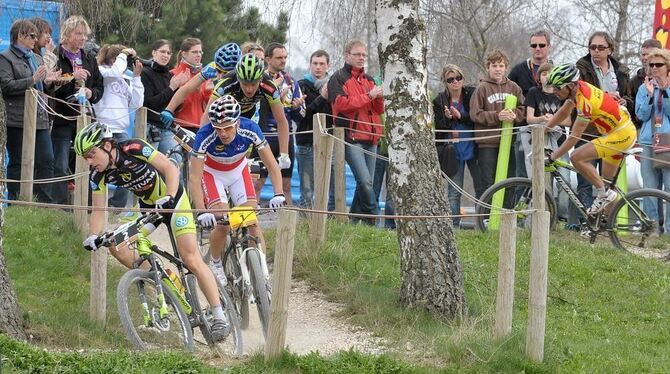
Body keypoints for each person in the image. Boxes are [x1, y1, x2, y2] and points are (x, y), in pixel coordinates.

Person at [74, 122, 230, 341]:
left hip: (174, 201)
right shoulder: (97, 175)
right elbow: (99, 209)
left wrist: (170, 195)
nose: (90, 161)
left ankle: (219, 315)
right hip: (150, 210)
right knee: (116, 246)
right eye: (86, 158)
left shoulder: (134, 148)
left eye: (92, 154)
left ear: (108, 145)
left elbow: (170, 168)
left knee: (190, 257)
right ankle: (164, 277)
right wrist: (93, 235)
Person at [189, 95, 285, 277]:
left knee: (251, 221)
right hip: (212, 174)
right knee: (223, 223)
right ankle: (215, 264)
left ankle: (262, 274)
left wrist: (278, 193)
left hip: (238, 171)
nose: (223, 133)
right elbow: (194, 178)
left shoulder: (251, 128)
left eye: (227, 128)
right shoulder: (204, 135)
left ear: (238, 124)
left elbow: (272, 164)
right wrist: (202, 211)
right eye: (218, 129)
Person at [545, 63, 637, 214]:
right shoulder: (578, 89)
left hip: (621, 134)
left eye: (557, 87)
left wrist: (553, 157)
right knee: (607, 186)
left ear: (570, 85)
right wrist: (545, 129)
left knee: (576, 157)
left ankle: (603, 194)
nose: (554, 91)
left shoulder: (585, 101)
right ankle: (603, 225)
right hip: (617, 132)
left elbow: (574, 137)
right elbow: (563, 112)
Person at [193, 54, 291, 171]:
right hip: (224, 116)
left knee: (244, 152)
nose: (249, 89)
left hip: (249, 113)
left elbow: (281, 120)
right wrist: (198, 147)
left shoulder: (269, 86)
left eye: (253, 84)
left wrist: (284, 154)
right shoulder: (226, 83)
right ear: (238, 78)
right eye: (245, 84)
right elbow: (207, 116)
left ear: (260, 80)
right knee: (219, 146)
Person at [0, 19, 59, 203]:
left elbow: (42, 88)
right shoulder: (5, 58)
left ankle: (44, 204)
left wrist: (50, 82)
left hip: (40, 118)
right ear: (20, 36)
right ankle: (17, 203)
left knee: (47, 160)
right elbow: (6, 86)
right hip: (17, 120)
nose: (36, 40)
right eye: (32, 36)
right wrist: (32, 79)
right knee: (18, 162)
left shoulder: (36, 57)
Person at [327, 39, 384, 225]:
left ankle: (354, 222)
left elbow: (379, 110)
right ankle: (374, 219)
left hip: (372, 137)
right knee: (366, 182)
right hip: (352, 138)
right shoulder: (338, 78)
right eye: (357, 54)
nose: (361, 58)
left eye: (363, 55)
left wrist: (379, 96)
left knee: (365, 184)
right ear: (347, 56)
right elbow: (341, 105)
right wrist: (369, 96)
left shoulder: (369, 79)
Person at [574, 31, 632, 209]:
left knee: (607, 184)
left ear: (610, 50)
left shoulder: (621, 71)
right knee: (585, 178)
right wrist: (606, 97)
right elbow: (581, 96)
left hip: (614, 131)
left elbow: (629, 97)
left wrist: (623, 101)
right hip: (589, 129)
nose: (596, 51)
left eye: (601, 47)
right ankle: (585, 220)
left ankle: (605, 223)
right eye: (592, 47)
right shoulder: (581, 68)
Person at [52, 15, 104, 205]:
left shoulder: (89, 58)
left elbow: (99, 85)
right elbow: (51, 85)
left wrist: (92, 93)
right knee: (61, 162)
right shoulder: (56, 56)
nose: (82, 38)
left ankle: (87, 203)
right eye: (78, 34)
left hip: (84, 117)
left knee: (88, 159)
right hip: (61, 117)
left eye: (85, 35)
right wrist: (72, 77)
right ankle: (60, 205)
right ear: (67, 34)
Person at [93, 44, 144, 208]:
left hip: (120, 130)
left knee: (130, 165)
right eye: (122, 60)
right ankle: (94, 203)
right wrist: (124, 54)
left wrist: (136, 78)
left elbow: (137, 103)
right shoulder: (102, 72)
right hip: (102, 127)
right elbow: (113, 72)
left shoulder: (123, 78)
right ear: (114, 60)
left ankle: (117, 204)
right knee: (99, 167)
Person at [254, 43, 305, 206]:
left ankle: (288, 228)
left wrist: (297, 108)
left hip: (285, 139)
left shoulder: (291, 81)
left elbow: (300, 116)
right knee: (257, 184)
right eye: (279, 58)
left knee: (286, 186)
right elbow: (254, 108)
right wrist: (273, 96)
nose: (283, 61)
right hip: (263, 137)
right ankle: (251, 224)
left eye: (285, 57)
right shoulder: (259, 79)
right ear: (268, 59)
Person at [469, 49, 525, 194]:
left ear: (506, 68)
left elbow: (524, 109)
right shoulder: (482, 88)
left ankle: (506, 215)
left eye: (501, 66)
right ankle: (486, 216)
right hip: (487, 143)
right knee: (488, 182)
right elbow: (475, 114)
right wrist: (497, 116)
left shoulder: (514, 87)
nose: (498, 69)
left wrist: (515, 115)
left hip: (509, 141)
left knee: (509, 182)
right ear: (488, 67)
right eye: (494, 66)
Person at [433, 64, 480, 228]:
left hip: (473, 147)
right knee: (454, 191)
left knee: (480, 187)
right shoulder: (439, 100)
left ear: (463, 78)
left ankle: (482, 224)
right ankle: (453, 226)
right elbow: (438, 129)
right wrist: (447, 119)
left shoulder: (472, 93)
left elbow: (476, 118)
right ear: (445, 82)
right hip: (452, 151)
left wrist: (460, 117)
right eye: (450, 79)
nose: (455, 82)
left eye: (458, 78)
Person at [160, 42, 242, 129]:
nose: (220, 76)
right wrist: (169, 109)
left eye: (225, 73)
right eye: (218, 70)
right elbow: (186, 89)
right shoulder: (211, 67)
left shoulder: (243, 76)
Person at [635, 48, 670, 233]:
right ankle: (652, 228)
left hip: (668, 140)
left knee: (669, 187)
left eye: (659, 64)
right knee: (649, 186)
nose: (655, 68)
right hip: (648, 140)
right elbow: (640, 115)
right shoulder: (643, 87)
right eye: (651, 65)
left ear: (667, 66)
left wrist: (664, 93)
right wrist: (650, 95)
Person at [508, 30, 552, 180]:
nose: (538, 48)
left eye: (542, 45)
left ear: (549, 47)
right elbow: (507, 94)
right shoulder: (518, 71)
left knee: (551, 174)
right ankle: (523, 204)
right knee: (522, 173)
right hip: (525, 128)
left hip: (552, 129)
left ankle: (549, 204)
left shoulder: (557, 70)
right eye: (534, 45)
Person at [140, 39, 190, 165]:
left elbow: (174, 106)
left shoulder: (168, 75)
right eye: (162, 51)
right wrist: (172, 88)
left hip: (166, 128)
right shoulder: (145, 73)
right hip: (149, 127)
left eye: (168, 53)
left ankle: (170, 185)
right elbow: (148, 103)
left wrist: (181, 88)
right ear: (153, 53)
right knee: (151, 165)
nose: (165, 55)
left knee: (176, 160)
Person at [297, 49, 332, 207]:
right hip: (306, 143)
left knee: (326, 187)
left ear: (328, 66)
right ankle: (305, 225)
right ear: (310, 65)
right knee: (307, 189)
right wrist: (322, 98)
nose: (318, 67)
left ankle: (328, 225)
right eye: (315, 63)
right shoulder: (301, 85)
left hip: (328, 141)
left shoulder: (333, 85)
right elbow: (303, 114)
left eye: (322, 64)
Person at [630, 39, 663, 127]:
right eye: (643, 54)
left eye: (648, 54)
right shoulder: (635, 81)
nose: (645, 57)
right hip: (642, 129)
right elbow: (634, 108)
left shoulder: (667, 80)